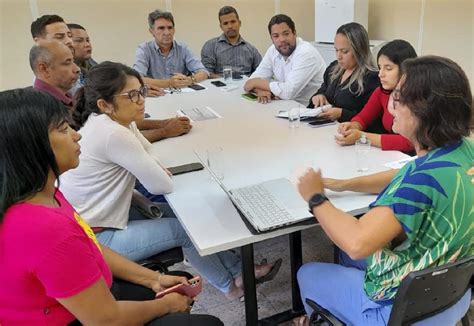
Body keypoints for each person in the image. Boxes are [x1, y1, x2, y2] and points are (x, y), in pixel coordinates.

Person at [0, 88, 223, 325]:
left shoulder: (44, 193)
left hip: (91, 299)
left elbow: (89, 246)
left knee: (176, 282)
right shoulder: (44, 228)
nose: (77, 136)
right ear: (30, 147)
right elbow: (105, 320)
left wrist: (153, 279)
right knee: (206, 322)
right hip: (79, 318)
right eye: (64, 130)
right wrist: (165, 305)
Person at [59, 61, 281, 300]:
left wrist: (152, 166)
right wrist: (154, 168)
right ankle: (231, 287)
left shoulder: (115, 122)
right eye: (131, 95)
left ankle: (240, 271)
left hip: (100, 218)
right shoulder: (113, 133)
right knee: (186, 230)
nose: (141, 100)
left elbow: (151, 155)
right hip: (95, 238)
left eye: (141, 91)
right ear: (105, 104)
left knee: (186, 215)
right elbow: (160, 184)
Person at [295, 55, 473, 325]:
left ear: (423, 110)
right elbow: (403, 174)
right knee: (344, 255)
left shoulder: (420, 181)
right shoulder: (463, 150)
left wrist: (316, 196)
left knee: (308, 272)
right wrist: (344, 184)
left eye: (398, 97)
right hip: (453, 297)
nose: (392, 106)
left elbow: (357, 242)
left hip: (400, 311)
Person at [335, 40, 417, 152]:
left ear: (406, 70)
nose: (380, 74)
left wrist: (362, 136)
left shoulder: (418, 98)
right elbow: (363, 117)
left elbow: (410, 142)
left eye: (388, 68)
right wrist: (353, 126)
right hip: (392, 155)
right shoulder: (381, 92)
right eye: (380, 67)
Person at [307, 22, 380, 128]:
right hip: (324, 129)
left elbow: (372, 120)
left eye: (345, 51)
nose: (338, 56)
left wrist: (342, 114)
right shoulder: (333, 69)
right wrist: (318, 97)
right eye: (336, 50)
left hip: (349, 134)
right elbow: (322, 90)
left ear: (360, 51)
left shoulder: (372, 79)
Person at [243, 14, 325, 105]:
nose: (281, 40)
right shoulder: (273, 50)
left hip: (308, 109)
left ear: (294, 33)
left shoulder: (306, 53)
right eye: (276, 36)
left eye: (286, 34)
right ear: (271, 38)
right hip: (285, 106)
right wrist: (260, 91)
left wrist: (257, 83)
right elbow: (250, 82)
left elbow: (288, 92)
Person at [133, 9, 209, 90]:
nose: (167, 32)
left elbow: (204, 72)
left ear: (174, 30)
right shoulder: (144, 49)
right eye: (161, 28)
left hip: (181, 95)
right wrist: (168, 83)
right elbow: (136, 79)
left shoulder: (183, 48)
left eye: (170, 28)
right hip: (157, 95)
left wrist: (190, 80)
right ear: (151, 31)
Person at [201, 5, 262, 78]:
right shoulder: (210, 46)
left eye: (233, 22)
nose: (230, 26)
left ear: (239, 23)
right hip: (219, 87)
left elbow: (261, 72)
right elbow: (206, 72)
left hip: (245, 87)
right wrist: (227, 82)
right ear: (221, 26)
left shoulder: (252, 50)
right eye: (225, 23)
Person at [30, 40, 80, 111]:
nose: (77, 69)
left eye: (73, 61)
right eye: (67, 63)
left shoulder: (67, 98)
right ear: (44, 69)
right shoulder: (43, 108)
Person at [67, 23, 98, 87]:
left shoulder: (91, 64)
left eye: (87, 40)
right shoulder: (62, 72)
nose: (87, 44)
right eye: (79, 41)